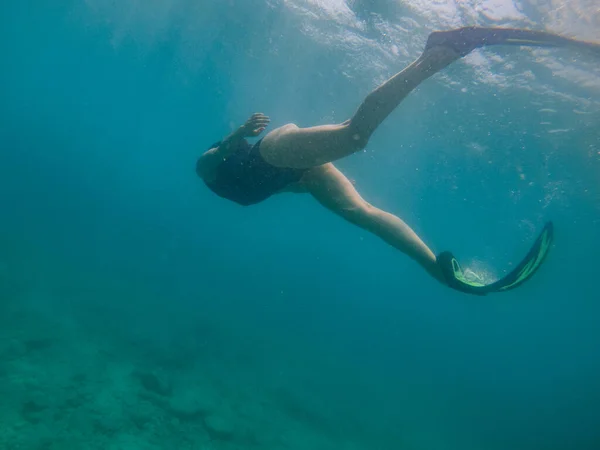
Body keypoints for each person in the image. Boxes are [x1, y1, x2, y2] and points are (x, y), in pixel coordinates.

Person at [196, 26, 599, 295]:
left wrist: (240, 132)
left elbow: (212, 157)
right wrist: (302, 183)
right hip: (290, 172)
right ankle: (443, 274)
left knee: (354, 136)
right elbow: (271, 187)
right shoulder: (242, 192)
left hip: (273, 149)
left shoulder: (207, 170)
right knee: (361, 212)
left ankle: (440, 51)